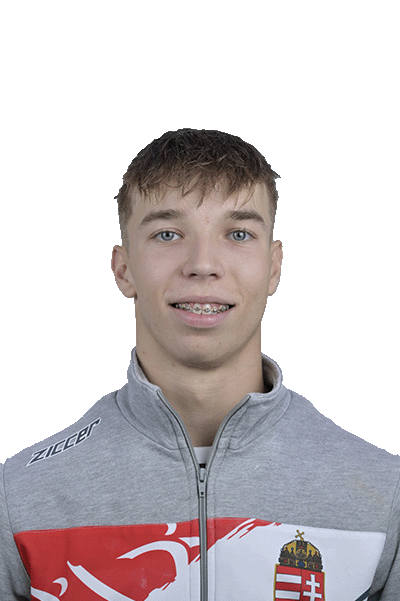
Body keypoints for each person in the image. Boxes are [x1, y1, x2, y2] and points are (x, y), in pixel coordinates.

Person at [0, 129, 399, 601]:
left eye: (238, 234)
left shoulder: (384, 497)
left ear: (274, 267)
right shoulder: (20, 499)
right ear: (123, 269)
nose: (203, 264)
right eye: (168, 234)